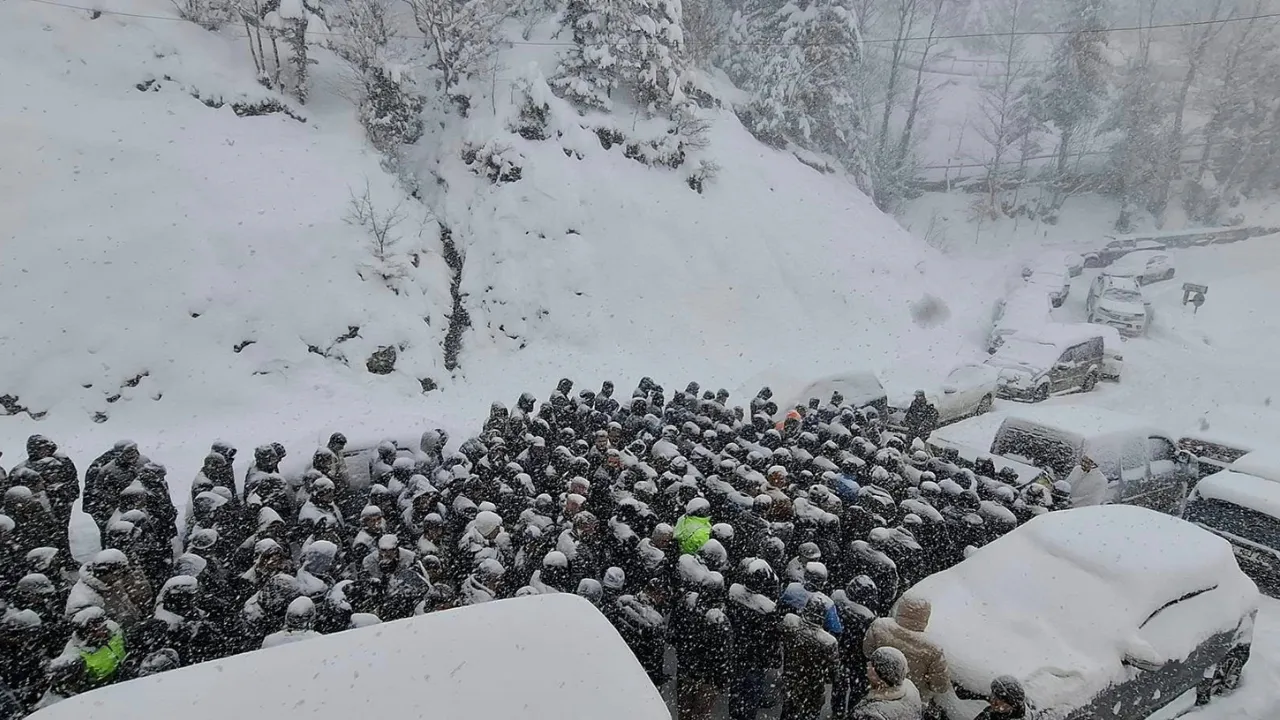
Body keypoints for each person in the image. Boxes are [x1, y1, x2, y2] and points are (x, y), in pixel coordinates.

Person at [862, 595, 950, 717]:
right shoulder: (933, 649)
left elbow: (868, 652)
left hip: (879, 689)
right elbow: (940, 686)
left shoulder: (880, 626)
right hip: (913, 699)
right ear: (926, 615)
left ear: (901, 608)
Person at [780, 596, 841, 720]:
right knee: (810, 714)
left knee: (788, 711)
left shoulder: (790, 622)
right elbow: (833, 673)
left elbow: (780, 633)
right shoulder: (828, 642)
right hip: (814, 686)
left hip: (791, 679)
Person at [851, 647, 922, 720]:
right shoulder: (910, 688)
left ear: (880, 676)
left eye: (873, 665)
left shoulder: (872, 714)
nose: (868, 664)